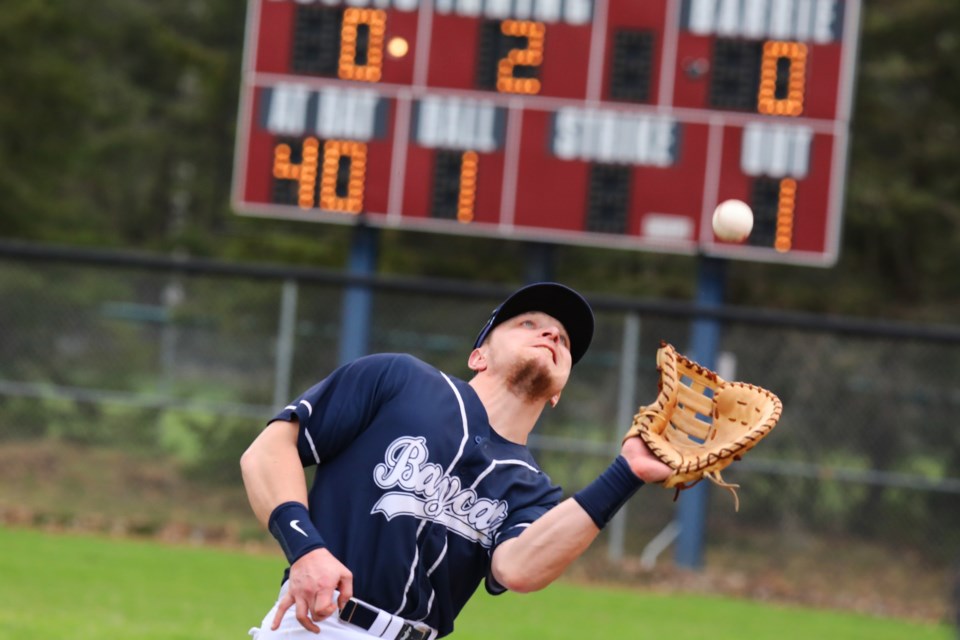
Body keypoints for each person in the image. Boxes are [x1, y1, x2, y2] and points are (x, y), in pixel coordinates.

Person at [241, 282, 671, 639]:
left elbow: (517, 568)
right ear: (478, 356)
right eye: (528, 324)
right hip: (321, 623)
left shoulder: (533, 489)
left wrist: (626, 473)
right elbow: (268, 450)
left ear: (558, 392)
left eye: (564, 340)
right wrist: (305, 550)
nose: (552, 336)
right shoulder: (399, 379)